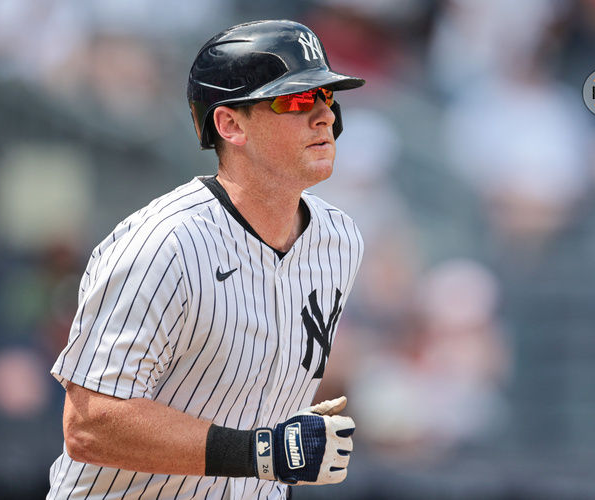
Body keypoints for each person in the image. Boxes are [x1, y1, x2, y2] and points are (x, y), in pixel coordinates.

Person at [47, 19, 365, 499]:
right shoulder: (164, 244)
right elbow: (89, 426)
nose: (323, 116)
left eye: (326, 97)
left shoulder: (340, 239)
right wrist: (262, 450)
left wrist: (281, 436)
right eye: (296, 100)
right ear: (230, 124)